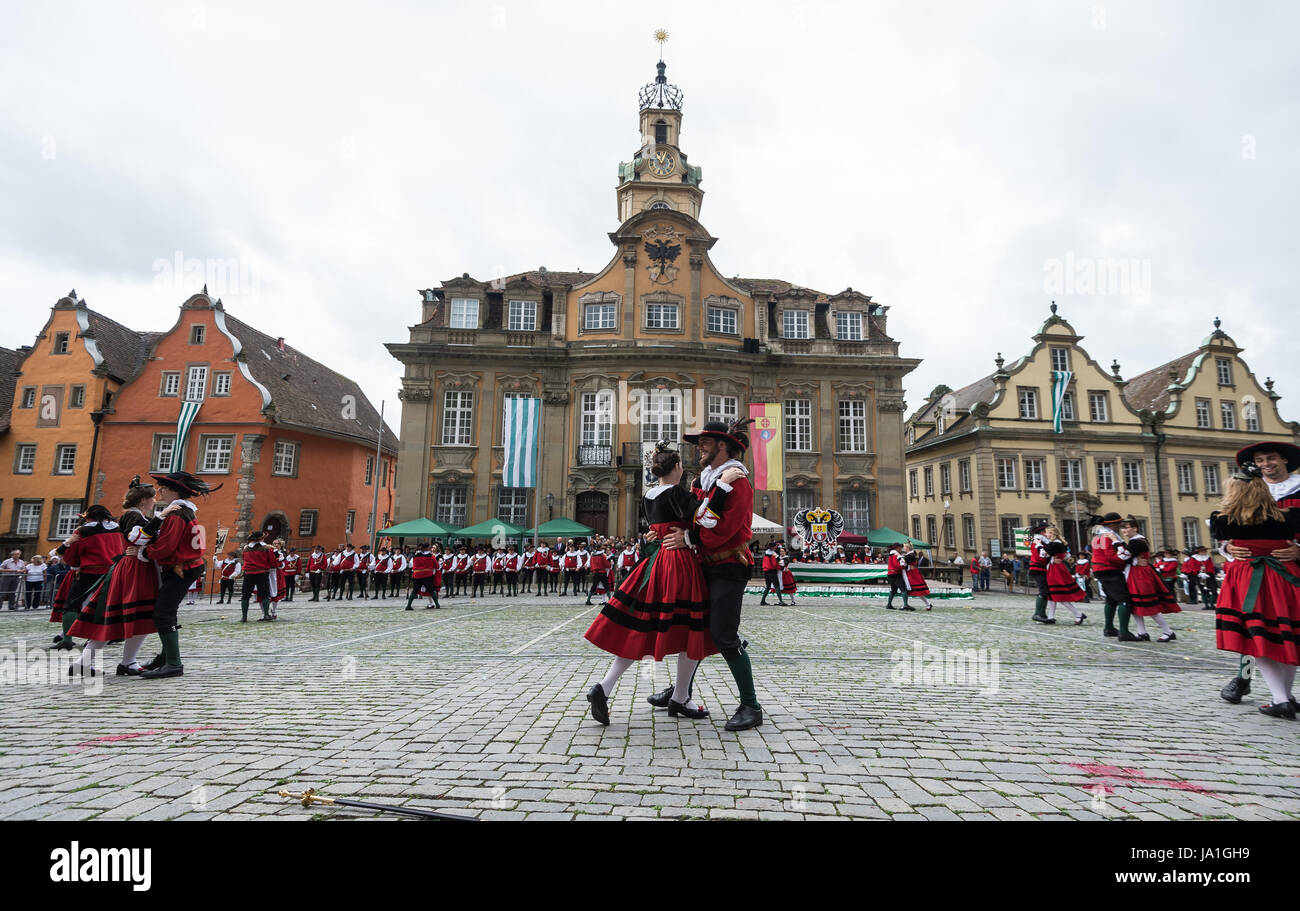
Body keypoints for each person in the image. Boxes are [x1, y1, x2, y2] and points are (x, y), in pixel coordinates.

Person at [583, 442, 717, 725]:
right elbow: (707, 520)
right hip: (679, 563)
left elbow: (657, 528)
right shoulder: (678, 493)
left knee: (640, 628)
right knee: (692, 628)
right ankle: (681, 697)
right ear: (678, 467)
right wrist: (719, 491)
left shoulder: (648, 495)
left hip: (655, 565)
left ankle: (604, 687)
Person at [657, 417, 763, 732]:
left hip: (728, 566)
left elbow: (727, 529)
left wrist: (688, 538)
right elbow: (693, 516)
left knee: (724, 635)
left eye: (704, 442)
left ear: (722, 445)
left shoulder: (738, 480)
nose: (699, 447)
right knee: (696, 630)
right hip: (704, 564)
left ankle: (751, 705)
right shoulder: (705, 478)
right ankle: (680, 693)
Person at [1210, 465, 1300, 718]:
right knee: (1285, 636)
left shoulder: (1224, 519)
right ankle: (1286, 695)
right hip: (1286, 579)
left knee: (1256, 638)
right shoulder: (1290, 516)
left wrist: (1229, 549)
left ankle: (1280, 699)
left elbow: (1225, 543)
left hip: (1249, 580)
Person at [66, 477, 160, 676]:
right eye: (152, 498)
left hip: (132, 567)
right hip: (135, 569)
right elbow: (138, 538)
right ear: (143, 500)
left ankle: (88, 662)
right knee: (135, 616)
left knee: (116, 617)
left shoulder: (132, 516)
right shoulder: (134, 517)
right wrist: (160, 520)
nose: (154, 501)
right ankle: (126, 662)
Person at [138, 470, 219, 679]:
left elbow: (167, 545)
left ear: (172, 490)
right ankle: (166, 658)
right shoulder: (184, 512)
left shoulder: (176, 515)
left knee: (163, 612)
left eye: (162, 488)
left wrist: (146, 552)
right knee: (167, 611)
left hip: (181, 567)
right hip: (186, 565)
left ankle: (173, 663)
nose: (159, 491)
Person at [49, 506, 125, 651]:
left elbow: (71, 555)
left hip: (89, 571)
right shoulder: (118, 530)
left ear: (89, 517)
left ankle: (67, 639)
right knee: (103, 605)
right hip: (112, 571)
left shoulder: (83, 531)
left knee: (71, 605)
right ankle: (98, 636)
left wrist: (74, 563)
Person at [1118, 517, 1179, 642]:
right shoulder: (1135, 540)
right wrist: (1134, 560)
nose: (1124, 530)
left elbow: (1123, 556)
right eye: (1122, 527)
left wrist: (1115, 542)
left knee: (1149, 604)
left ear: (1135, 528)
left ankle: (1167, 631)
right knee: (1135, 604)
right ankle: (1142, 632)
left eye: (1127, 527)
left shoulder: (1137, 541)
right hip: (1135, 573)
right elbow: (1129, 557)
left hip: (1140, 574)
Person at [1090, 513, 1132, 639]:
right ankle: (1124, 632)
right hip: (1109, 569)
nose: (1120, 526)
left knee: (1111, 599)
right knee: (1124, 600)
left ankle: (1109, 628)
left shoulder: (1098, 536)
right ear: (1113, 524)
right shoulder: (1107, 536)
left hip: (1101, 568)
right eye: (1119, 523)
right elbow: (1110, 555)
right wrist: (1126, 560)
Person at [1042, 539, 1086, 624]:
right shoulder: (1057, 546)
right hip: (1054, 570)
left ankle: (1078, 614)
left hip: (1056, 572)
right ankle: (1051, 617)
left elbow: (1052, 556)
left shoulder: (1056, 546)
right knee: (1052, 595)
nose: (1048, 534)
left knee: (1059, 596)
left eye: (1050, 532)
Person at [239, 532, 278, 622]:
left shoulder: (246, 549)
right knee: (265, 594)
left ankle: (244, 617)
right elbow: (272, 562)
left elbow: (244, 559)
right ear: (261, 539)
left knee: (245, 596)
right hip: (262, 573)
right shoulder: (266, 549)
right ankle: (266, 614)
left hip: (248, 573)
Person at [1027, 523, 1052, 622]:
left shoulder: (1043, 541)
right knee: (1043, 590)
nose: (1047, 534)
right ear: (1042, 532)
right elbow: (1040, 556)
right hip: (1038, 567)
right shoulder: (1038, 541)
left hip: (1042, 568)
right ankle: (1037, 614)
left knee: (1045, 591)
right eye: (1046, 531)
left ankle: (1042, 613)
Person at [406, 542, 441, 610]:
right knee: (431, 590)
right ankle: (437, 604)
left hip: (417, 575)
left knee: (414, 591)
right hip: (427, 575)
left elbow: (410, 565)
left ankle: (408, 605)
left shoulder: (415, 556)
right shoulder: (431, 556)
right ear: (427, 548)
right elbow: (437, 565)